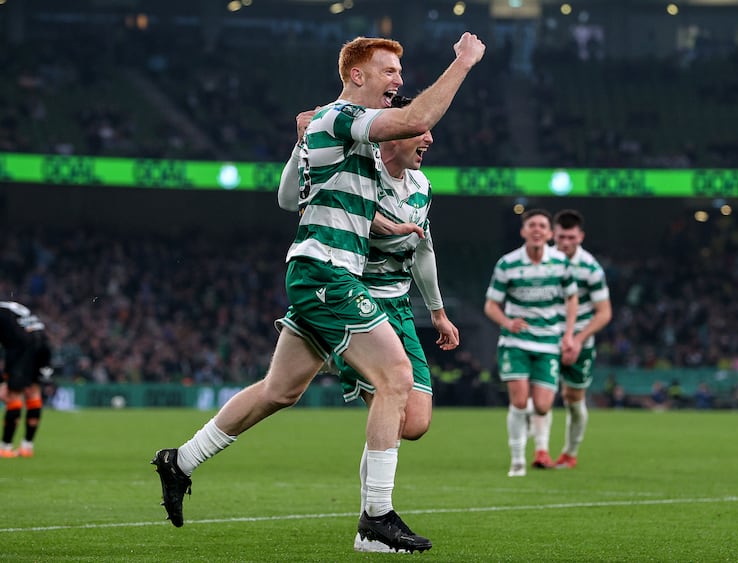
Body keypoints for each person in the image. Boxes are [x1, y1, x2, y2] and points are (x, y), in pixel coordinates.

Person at [151, 33, 485, 554]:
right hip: (326, 272)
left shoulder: (347, 140)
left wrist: (387, 225)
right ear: (357, 75)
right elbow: (414, 121)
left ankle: (180, 460)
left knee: (279, 391)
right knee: (395, 378)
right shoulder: (340, 117)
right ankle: (375, 519)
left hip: (326, 274)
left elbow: (304, 196)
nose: (398, 81)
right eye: (390, 72)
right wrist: (462, 63)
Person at [278, 94, 460, 552]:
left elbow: (424, 249)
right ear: (394, 132)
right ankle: (375, 518)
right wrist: (302, 144)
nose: (429, 139)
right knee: (386, 392)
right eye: (421, 131)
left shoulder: (421, 186)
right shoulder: (357, 166)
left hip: (398, 304)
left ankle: (373, 515)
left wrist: (436, 311)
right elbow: (299, 202)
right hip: (356, 298)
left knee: (414, 422)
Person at [484, 209, 578, 477]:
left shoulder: (560, 263)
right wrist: (507, 322)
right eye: (532, 225)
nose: (537, 229)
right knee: (520, 401)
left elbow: (572, 298)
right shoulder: (507, 264)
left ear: (549, 233)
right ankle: (517, 460)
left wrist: (569, 334)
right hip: (516, 342)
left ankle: (539, 445)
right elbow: (491, 305)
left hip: (549, 341)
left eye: (542, 226)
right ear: (524, 231)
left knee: (543, 405)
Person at [547, 209, 612, 469]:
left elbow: (604, 312)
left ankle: (569, 454)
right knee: (534, 397)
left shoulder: (590, 268)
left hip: (580, 341)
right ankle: (538, 450)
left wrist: (577, 338)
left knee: (573, 400)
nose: (566, 243)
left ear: (580, 237)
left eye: (571, 238)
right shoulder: (541, 260)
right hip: (546, 337)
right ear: (554, 235)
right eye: (562, 237)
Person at [0, 301, 53, 458]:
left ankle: (5, 447)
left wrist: (2, 381)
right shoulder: (9, 306)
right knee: (33, 393)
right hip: (43, 343)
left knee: (13, 396)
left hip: (22, 347)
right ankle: (27, 447)